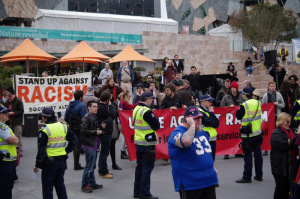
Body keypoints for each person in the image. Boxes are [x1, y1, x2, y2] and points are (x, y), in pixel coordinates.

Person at [168, 106, 218, 199]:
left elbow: (205, 153)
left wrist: (212, 167)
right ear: (187, 119)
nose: (199, 120)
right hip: (191, 183)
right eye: (195, 118)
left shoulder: (201, 131)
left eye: (200, 118)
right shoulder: (177, 133)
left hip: (208, 180)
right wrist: (192, 126)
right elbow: (186, 141)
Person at [33, 108, 77, 199]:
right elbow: (74, 139)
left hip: (49, 163)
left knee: (47, 187)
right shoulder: (63, 126)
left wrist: (37, 164)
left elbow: (41, 150)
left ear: (45, 118)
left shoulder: (44, 130)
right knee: (60, 185)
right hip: (61, 161)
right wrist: (66, 151)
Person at [133, 92, 160, 199]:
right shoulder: (147, 111)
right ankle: (144, 193)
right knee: (146, 169)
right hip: (147, 143)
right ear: (148, 99)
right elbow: (156, 125)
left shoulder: (136, 109)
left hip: (139, 141)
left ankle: (137, 192)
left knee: (139, 167)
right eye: (151, 99)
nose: (152, 101)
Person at [235, 87, 263, 183]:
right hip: (258, 132)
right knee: (258, 155)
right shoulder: (259, 102)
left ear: (245, 95)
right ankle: (259, 175)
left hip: (247, 135)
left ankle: (247, 176)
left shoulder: (244, 105)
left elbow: (238, 116)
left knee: (248, 156)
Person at [270, 112, 297, 199]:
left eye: (290, 122)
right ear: (281, 121)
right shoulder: (276, 133)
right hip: (280, 166)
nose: (289, 124)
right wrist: (297, 138)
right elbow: (284, 145)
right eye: (287, 122)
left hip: (289, 165)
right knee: (281, 189)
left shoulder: (291, 131)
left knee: (288, 188)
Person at [80, 101, 104, 193]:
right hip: (89, 145)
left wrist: (99, 128)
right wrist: (95, 132)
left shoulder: (93, 117)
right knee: (89, 166)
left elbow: (91, 129)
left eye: (97, 106)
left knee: (92, 166)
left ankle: (91, 183)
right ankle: (84, 185)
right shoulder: (86, 118)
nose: (96, 108)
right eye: (94, 106)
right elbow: (83, 131)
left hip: (94, 144)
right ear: (89, 108)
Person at [64, 90, 87, 170]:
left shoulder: (70, 105)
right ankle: (76, 164)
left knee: (74, 143)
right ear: (81, 97)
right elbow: (84, 117)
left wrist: (70, 123)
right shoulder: (81, 105)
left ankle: (76, 163)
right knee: (78, 145)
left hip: (72, 127)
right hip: (79, 127)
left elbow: (66, 117)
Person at [0, 105, 18, 199]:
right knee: (5, 189)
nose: (7, 114)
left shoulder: (5, 126)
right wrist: (14, 139)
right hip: (5, 162)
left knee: (7, 187)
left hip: (8, 162)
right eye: (4, 112)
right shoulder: (1, 127)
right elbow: (15, 140)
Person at [97, 91, 116, 179]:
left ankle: (103, 169)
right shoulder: (102, 107)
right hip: (105, 132)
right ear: (108, 100)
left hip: (106, 131)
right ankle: (103, 171)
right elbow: (113, 114)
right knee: (104, 152)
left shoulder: (101, 106)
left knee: (104, 152)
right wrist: (111, 106)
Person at [119, 90, 139, 160]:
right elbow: (132, 106)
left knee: (125, 136)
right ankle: (122, 151)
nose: (130, 98)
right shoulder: (124, 102)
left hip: (124, 120)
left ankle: (123, 150)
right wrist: (139, 102)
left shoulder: (123, 102)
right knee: (125, 137)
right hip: (124, 121)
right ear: (125, 96)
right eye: (129, 96)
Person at [199, 95, 220, 162]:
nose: (211, 103)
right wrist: (211, 113)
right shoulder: (200, 111)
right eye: (209, 101)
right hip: (204, 139)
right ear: (203, 102)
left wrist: (211, 114)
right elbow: (208, 122)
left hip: (212, 139)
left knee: (212, 160)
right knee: (205, 161)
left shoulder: (208, 110)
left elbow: (217, 124)